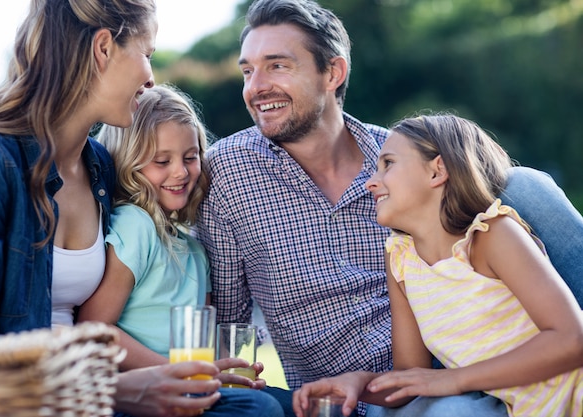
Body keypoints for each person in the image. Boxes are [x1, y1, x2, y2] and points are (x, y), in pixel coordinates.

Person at [195, 0, 583, 415]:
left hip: (461, 350)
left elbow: (476, 233)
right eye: (248, 71)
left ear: (333, 73)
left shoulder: (401, 157)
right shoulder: (227, 171)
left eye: (277, 66)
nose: (256, 87)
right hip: (360, 390)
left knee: (523, 184)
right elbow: (226, 315)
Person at [0, 1, 274, 416]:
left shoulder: (100, 168)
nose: (151, 78)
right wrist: (120, 391)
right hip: (35, 402)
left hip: (97, 392)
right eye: (147, 54)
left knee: (266, 405)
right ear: (103, 48)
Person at [292, 114, 583, 417]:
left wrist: (454, 379)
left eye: (388, 164)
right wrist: (359, 383)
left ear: (437, 170)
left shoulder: (491, 234)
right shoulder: (401, 260)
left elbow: (572, 338)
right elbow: (413, 375)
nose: (370, 183)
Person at [77, 84, 284, 417]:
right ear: (129, 163)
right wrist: (175, 374)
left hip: (187, 389)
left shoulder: (194, 248)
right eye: (162, 161)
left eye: (191, 157)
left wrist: (225, 371)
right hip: (138, 395)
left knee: (294, 404)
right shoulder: (136, 225)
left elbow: (202, 350)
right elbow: (94, 329)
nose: (181, 171)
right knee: (262, 410)